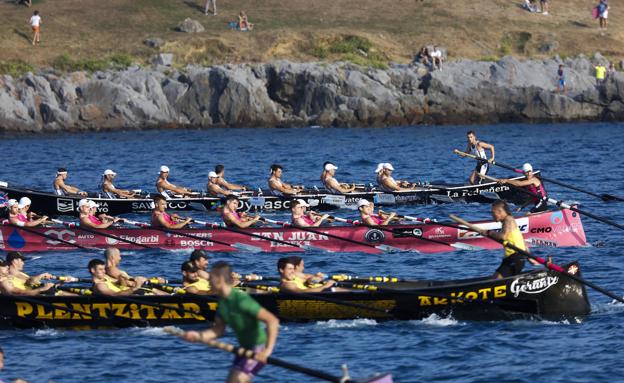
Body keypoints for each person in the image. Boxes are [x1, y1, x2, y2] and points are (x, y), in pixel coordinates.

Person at [183, 262, 279, 383]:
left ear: (220, 279)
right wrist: (199, 336)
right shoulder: (222, 303)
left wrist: (267, 352)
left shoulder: (240, 299)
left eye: (211, 278)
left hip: (258, 350)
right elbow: (217, 330)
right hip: (243, 349)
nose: (208, 282)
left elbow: (272, 321)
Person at [476, 200, 538, 278]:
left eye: (493, 212)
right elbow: (521, 241)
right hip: (513, 258)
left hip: (515, 258)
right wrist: (529, 257)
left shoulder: (508, 220)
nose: (492, 215)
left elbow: (503, 236)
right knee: (494, 278)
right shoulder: (509, 221)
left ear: (499, 211)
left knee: (496, 280)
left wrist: (489, 232)